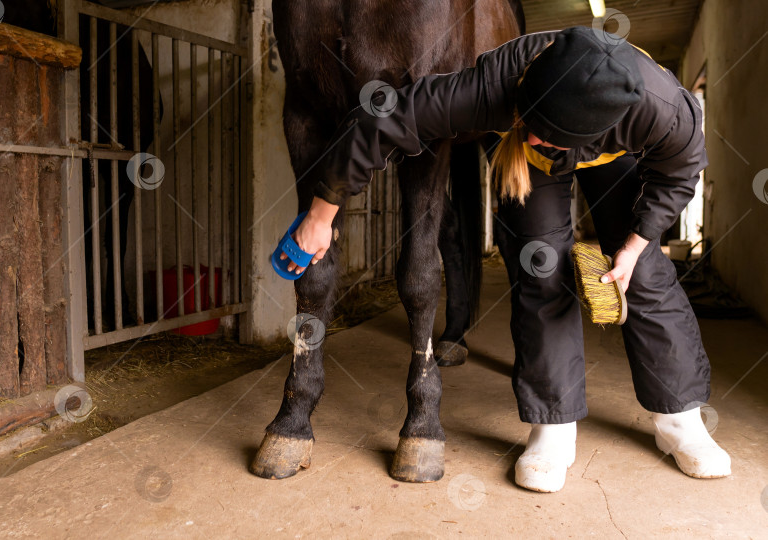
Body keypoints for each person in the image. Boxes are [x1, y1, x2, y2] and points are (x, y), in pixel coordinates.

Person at [279, 26, 731, 492]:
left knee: (647, 274)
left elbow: (678, 174)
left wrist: (634, 247)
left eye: (548, 136)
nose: (538, 139)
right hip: (526, 161)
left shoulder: (661, 107)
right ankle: (553, 428)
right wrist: (320, 213)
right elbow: (383, 118)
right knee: (542, 268)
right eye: (535, 127)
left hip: (611, 150)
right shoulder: (491, 85)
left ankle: (681, 422)